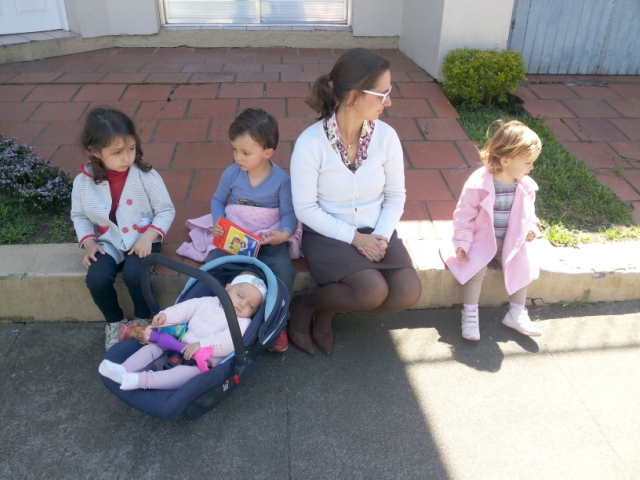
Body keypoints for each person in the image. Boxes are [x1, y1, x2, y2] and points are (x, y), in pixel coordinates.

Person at [289, 48, 422, 356]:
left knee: (408, 292)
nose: (389, 101)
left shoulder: (387, 137)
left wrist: (381, 236)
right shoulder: (310, 143)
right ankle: (304, 305)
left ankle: (327, 308)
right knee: (372, 291)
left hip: (376, 230)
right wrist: (355, 238)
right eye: (382, 94)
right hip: (328, 234)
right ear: (353, 95)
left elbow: (396, 196)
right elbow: (305, 208)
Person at [71, 108, 175, 351]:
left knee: (134, 274)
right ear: (95, 151)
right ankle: (114, 322)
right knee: (96, 278)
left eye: (131, 148)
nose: (127, 157)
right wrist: (89, 242)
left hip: (143, 236)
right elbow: (79, 215)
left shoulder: (146, 176)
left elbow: (166, 210)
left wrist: (149, 235)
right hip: (109, 240)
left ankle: (143, 318)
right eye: (117, 152)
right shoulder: (83, 182)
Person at [207, 108, 298, 353]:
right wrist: (219, 221)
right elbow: (218, 200)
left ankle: (277, 322)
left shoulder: (282, 181)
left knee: (283, 271)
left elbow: (288, 213)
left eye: (246, 153)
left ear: (268, 152)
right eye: (234, 150)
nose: (238, 157)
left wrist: (283, 234)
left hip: (267, 238)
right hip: (236, 234)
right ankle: (214, 311)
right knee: (214, 262)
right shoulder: (232, 174)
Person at [442, 120, 543, 341]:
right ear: (505, 160)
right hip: (482, 240)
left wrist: (530, 229)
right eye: (528, 162)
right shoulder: (478, 184)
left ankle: (516, 312)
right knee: (475, 268)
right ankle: (470, 313)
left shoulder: (525, 186)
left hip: (511, 240)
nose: (531, 167)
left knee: (522, 264)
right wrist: (463, 243)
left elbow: (528, 215)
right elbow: (464, 215)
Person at [98, 272, 266, 390]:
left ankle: (140, 381)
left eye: (251, 306)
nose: (243, 304)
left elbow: (229, 341)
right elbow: (185, 309)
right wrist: (166, 316)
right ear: (227, 289)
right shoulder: (208, 301)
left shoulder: (242, 322)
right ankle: (123, 369)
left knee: (185, 374)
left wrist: (201, 345)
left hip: (200, 362)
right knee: (151, 349)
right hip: (176, 345)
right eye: (240, 296)